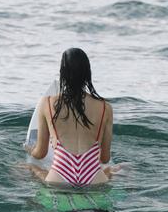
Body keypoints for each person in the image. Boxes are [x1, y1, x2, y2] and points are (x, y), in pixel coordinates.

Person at [25, 48, 121, 185]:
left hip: (59, 179)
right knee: (125, 167)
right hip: (94, 180)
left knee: (22, 166)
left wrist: (32, 149)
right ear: (87, 73)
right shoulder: (105, 107)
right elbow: (104, 159)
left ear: (62, 73)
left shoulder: (47, 103)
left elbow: (41, 153)